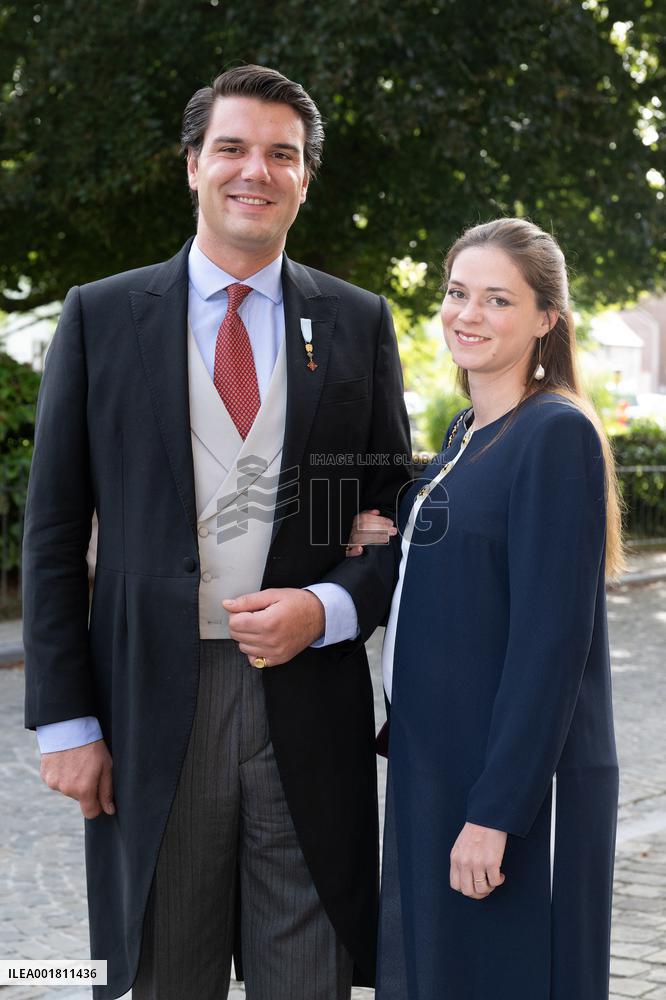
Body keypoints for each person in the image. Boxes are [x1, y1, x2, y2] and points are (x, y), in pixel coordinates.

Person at [22, 65, 411, 1000]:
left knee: (308, 974)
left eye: (284, 154)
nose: (257, 171)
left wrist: (326, 607)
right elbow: (52, 529)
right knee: (164, 973)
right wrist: (66, 722)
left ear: (305, 178)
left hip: (309, 707)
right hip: (153, 704)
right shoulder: (101, 315)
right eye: (233, 148)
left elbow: (393, 518)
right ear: (193, 165)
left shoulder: (355, 322)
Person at [350, 218, 622, 999]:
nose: (467, 314)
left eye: (497, 299)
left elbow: (550, 644)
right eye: (457, 293)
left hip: (509, 787)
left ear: (546, 320)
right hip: (437, 766)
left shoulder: (555, 434)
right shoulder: (467, 431)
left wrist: (497, 813)